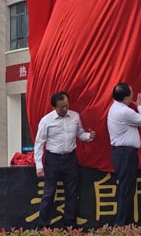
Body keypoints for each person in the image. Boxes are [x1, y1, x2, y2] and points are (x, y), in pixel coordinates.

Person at [34, 91, 96, 229]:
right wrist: (39, 165)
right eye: (62, 107)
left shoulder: (75, 116)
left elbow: (80, 133)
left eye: (67, 105)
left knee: (72, 193)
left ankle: (70, 226)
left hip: (70, 159)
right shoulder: (46, 120)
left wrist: (89, 136)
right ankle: (44, 227)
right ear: (54, 107)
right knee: (49, 193)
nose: (65, 108)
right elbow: (39, 143)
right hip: (53, 159)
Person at [107, 82, 141, 225]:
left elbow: (137, 120)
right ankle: (122, 224)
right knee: (126, 189)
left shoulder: (116, 108)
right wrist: (140, 106)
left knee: (127, 188)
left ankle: (125, 223)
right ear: (125, 98)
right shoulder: (124, 111)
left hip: (122, 153)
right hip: (125, 154)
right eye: (131, 94)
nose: (133, 96)